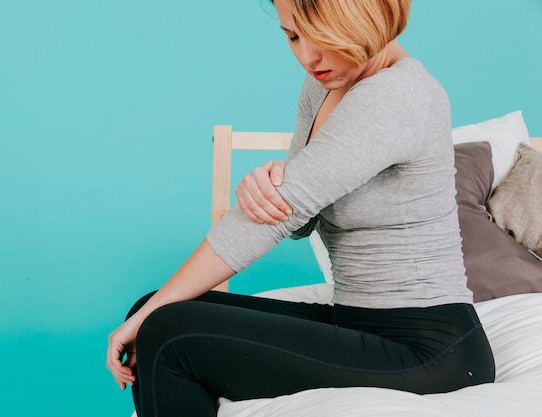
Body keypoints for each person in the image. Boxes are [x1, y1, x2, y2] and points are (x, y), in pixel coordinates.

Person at [106, 0, 496, 415]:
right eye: (292, 36)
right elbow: (299, 221)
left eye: (322, 35)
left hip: (428, 346)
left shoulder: (398, 93)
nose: (307, 55)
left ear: (362, 17)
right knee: (150, 310)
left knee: (164, 328)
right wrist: (267, 186)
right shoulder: (324, 85)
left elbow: (278, 219)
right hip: (358, 320)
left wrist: (285, 198)